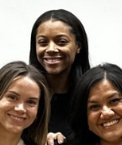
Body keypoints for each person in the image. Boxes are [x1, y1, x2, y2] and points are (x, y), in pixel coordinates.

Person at [29, 9, 89, 137]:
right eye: (43, 42)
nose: (51, 49)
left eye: (61, 42)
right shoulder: (23, 95)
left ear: (78, 46)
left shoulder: (91, 96)